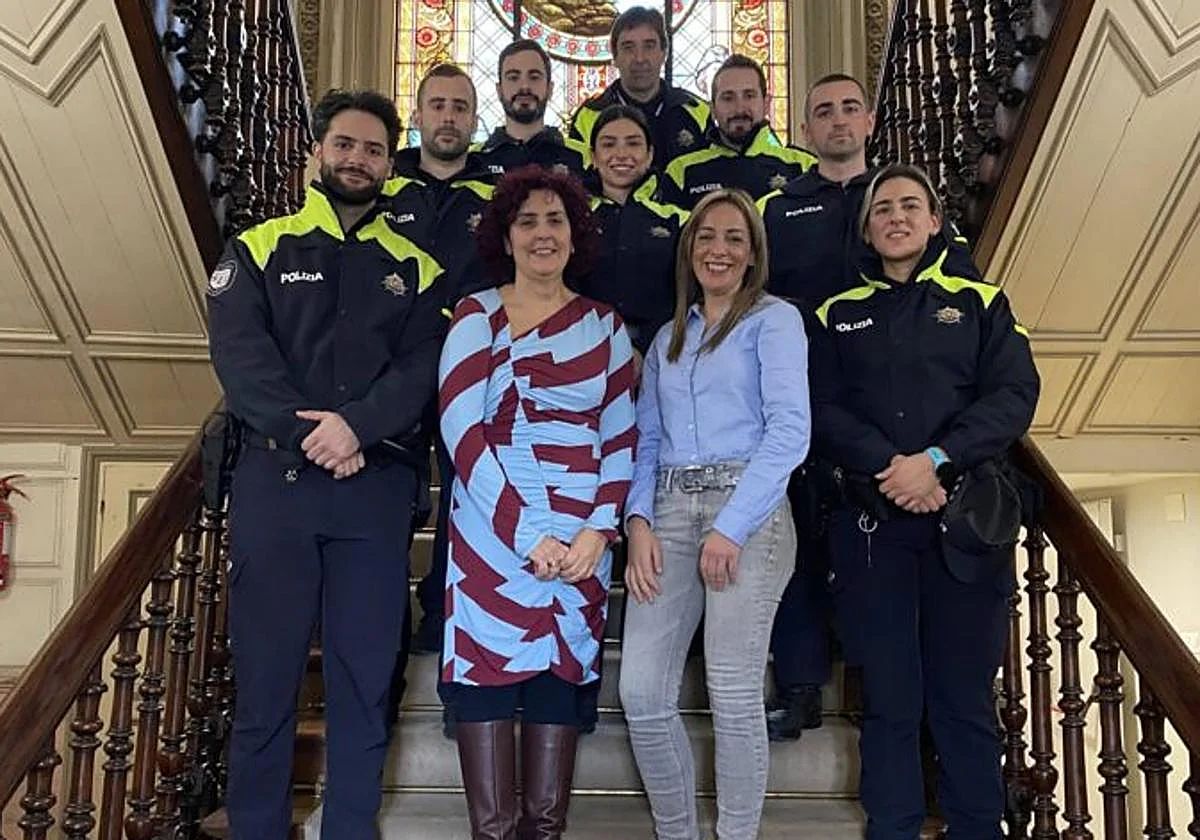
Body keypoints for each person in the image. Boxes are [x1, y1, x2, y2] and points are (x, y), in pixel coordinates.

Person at [207, 89, 448, 839]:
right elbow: (243, 361)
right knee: (267, 684)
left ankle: (350, 827)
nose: (358, 160)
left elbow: (422, 369)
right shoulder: (258, 247)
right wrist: (315, 433)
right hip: (275, 491)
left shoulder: (418, 269)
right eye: (345, 144)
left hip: (373, 496)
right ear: (318, 151)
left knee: (361, 681)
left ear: (389, 164)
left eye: (375, 149)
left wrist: (359, 429)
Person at [809, 163, 1039, 840]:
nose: (897, 217)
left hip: (965, 527)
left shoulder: (981, 302)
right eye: (883, 209)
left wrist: (936, 461)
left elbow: (1014, 396)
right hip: (871, 529)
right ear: (868, 227)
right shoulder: (835, 313)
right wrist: (892, 467)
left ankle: (976, 828)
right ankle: (894, 826)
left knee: (964, 700)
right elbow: (822, 409)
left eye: (911, 206)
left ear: (935, 222)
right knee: (890, 701)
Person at [756, 73, 978, 742]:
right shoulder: (777, 208)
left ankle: (870, 687)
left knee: (874, 562)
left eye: (850, 108)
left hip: (896, 420)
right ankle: (799, 686)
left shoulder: (900, 201)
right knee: (793, 545)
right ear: (805, 128)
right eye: (822, 112)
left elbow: (961, 302)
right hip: (801, 399)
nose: (837, 121)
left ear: (871, 120)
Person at [438, 164, 637, 839]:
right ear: (506, 235)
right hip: (494, 540)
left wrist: (598, 533)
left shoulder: (607, 327)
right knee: (486, 682)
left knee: (558, 684)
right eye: (528, 221)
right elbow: (462, 434)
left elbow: (621, 437)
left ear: (576, 235)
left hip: (582, 545)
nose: (543, 233)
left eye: (556, 220)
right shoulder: (476, 315)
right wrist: (527, 536)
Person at [619, 188, 810, 840]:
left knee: (731, 693)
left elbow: (790, 431)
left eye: (734, 237)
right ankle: (678, 833)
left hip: (746, 509)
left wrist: (731, 527)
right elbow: (644, 437)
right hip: (667, 509)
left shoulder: (774, 320)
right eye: (706, 237)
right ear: (689, 250)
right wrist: (636, 522)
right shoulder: (669, 334)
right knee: (641, 694)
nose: (718, 249)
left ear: (753, 252)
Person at [388, 63, 495, 663]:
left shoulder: (496, 192)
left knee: (465, 495)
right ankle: (388, 640)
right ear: (419, 115)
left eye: (460, 107)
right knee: (395, 499)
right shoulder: (386, 185)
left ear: (475, 120)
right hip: (393, 370)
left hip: (472, 371)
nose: (449, 117)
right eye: (438, 105)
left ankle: (444, 621)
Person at [577, 104, 687, 357]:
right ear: (593, 156)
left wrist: (646, 348)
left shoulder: (677, 220)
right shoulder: (573, 220)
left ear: (649, 155)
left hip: (665, 353)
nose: (621, 154)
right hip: (586, 356)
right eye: (609, 144)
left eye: (633, 143)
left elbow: (690, 295)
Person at [661, 54, 814, 209]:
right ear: (712, 109)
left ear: (766, 104)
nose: (739, 108)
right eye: (728, 98)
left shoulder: (803, 167)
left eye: (749, 96)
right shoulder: (681, 171)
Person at [568, 6, 709, 171]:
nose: (640, 58)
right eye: (628, 47)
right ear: (615, 56)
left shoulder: (696, 111)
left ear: (664, 53)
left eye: (649, 46)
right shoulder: (589, 117)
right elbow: (578, 187)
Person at [474, 40, 588, 179]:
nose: (524, 86)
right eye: (513, 77)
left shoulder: (582, 157)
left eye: (534, 77)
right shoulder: (474, 159)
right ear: (499, 90)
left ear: (550, 89)